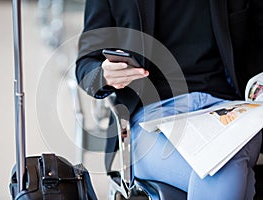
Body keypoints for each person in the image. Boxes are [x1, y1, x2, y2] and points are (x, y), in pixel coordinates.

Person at [75, 0, 263, 199]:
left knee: (221, 163)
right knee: (222, 166)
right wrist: (104, 75)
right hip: (151, 119)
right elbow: (86, 67)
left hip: (231, 113)